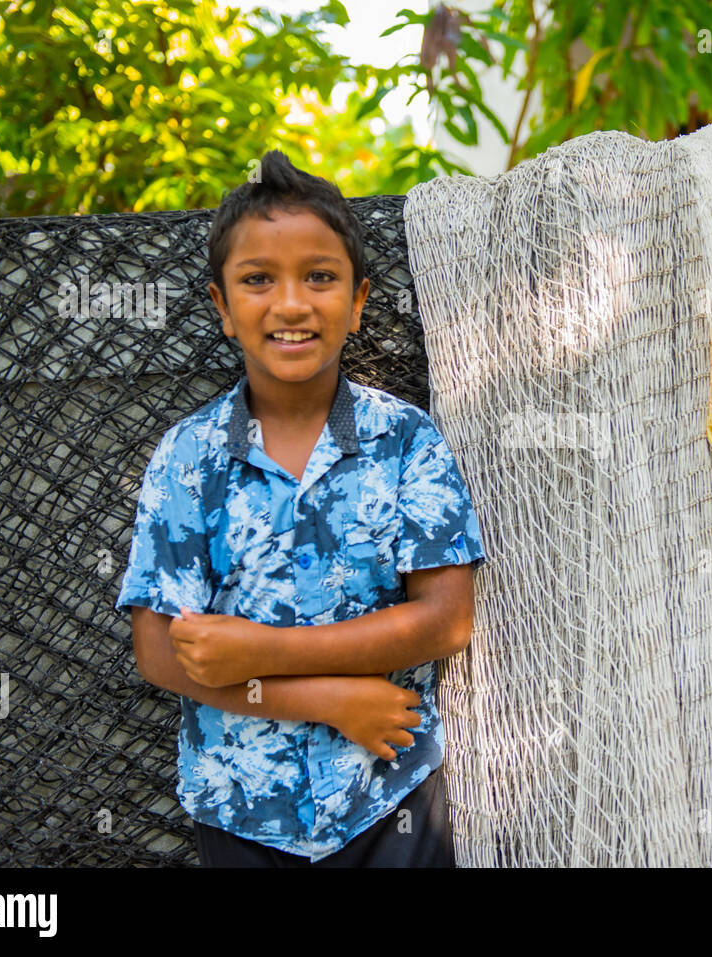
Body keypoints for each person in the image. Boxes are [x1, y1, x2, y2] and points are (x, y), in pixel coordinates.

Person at [114, 150, 487, 867]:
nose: (291, 303)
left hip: (389, 797)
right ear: (222, 308)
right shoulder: (188, 458)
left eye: (320, 276)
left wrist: (260, 652)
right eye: (258, 280)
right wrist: (326, 697)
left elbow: (446, 617)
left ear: (358, 301)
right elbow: (160, 651)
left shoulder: (404, 440)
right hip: (241, 808)